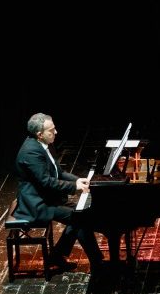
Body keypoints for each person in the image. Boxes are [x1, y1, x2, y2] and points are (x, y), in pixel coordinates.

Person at [14, 113, 105, 273]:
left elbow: (59, 172)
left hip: (48, 197)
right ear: (39, 134)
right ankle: (97, 263)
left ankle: (57, 255)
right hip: (38, 203)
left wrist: (78, 180)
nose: (56, 132)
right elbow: (46, 181)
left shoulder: (45, 144)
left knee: (82, 214)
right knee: (80, 218)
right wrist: (74, 187)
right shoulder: (31, 152)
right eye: (51, 130)